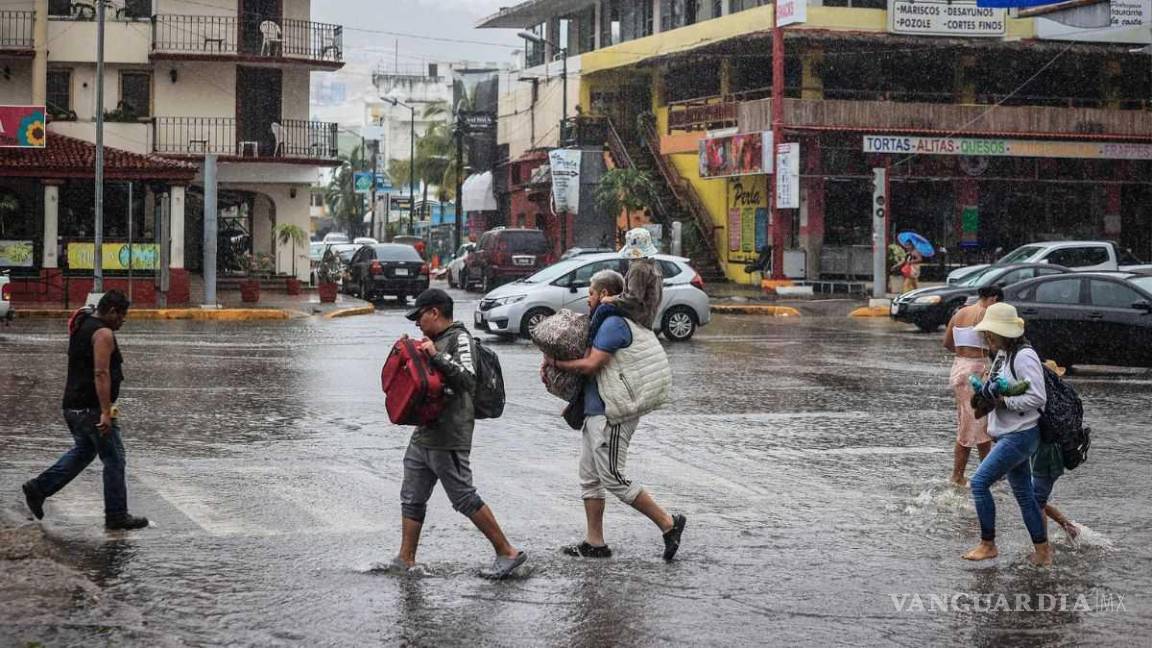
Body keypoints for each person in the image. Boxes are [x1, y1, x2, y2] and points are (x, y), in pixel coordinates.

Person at [545, 270, 686, 561]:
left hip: (613, 414)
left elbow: (591, 365)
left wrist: (557, 362)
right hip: (595, 412)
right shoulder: (603, 321)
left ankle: (668, 524)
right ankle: (594, 543)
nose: (588, 298)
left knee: (612, 477)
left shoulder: (612, 323)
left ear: (605, 294)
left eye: (592, 293)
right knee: (590, 477)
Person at [394, 288, 527, 579]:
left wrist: (435, 355)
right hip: (425, 432)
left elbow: (467, 378)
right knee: (412, 496)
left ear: (435, 313)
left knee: (463, 497)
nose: (417, 323)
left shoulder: (460, 338)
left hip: (450, 435)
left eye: (420, 317)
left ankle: (507, 552)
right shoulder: (436, 340)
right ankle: (406, 559)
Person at [22, 290, 149, 530]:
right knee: (114, 458)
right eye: (122, 316)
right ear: (112, 311)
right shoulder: (103, 334)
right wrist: (105, 411)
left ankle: (38, 488)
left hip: (73, 405)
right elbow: (100, 373)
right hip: (91, 408)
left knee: (84, 451)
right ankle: (116, 515)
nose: (123, 322)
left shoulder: (83, 324)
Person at [963, 303, 1052, 566]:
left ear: (1005, 333)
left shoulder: (1024, 356)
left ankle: (988, 544)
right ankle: (1043, 553)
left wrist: (1004, 402)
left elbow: (1037, 396)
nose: (987, 337)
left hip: (1020, 435)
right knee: (1025, 496)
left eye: (991, 332)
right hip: (1010, 433)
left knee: (979, 484)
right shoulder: (1003, 354)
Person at [942, 286, 1000, 486]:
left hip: (959, 368)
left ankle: (977, 472)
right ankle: (963, 475)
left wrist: (963, 349)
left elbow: (947, 343)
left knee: (970, 422)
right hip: (976, 371)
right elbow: (995, 345)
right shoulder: (985, 314)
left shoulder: (959, 313)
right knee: (977, 425)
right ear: (993, 298)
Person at [606, 227, 663, 330]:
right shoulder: (651, 265)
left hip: (638, 319)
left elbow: (633, 298)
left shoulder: (638, 268)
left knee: (603, 310)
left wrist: (611, 300)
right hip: (647, 318)